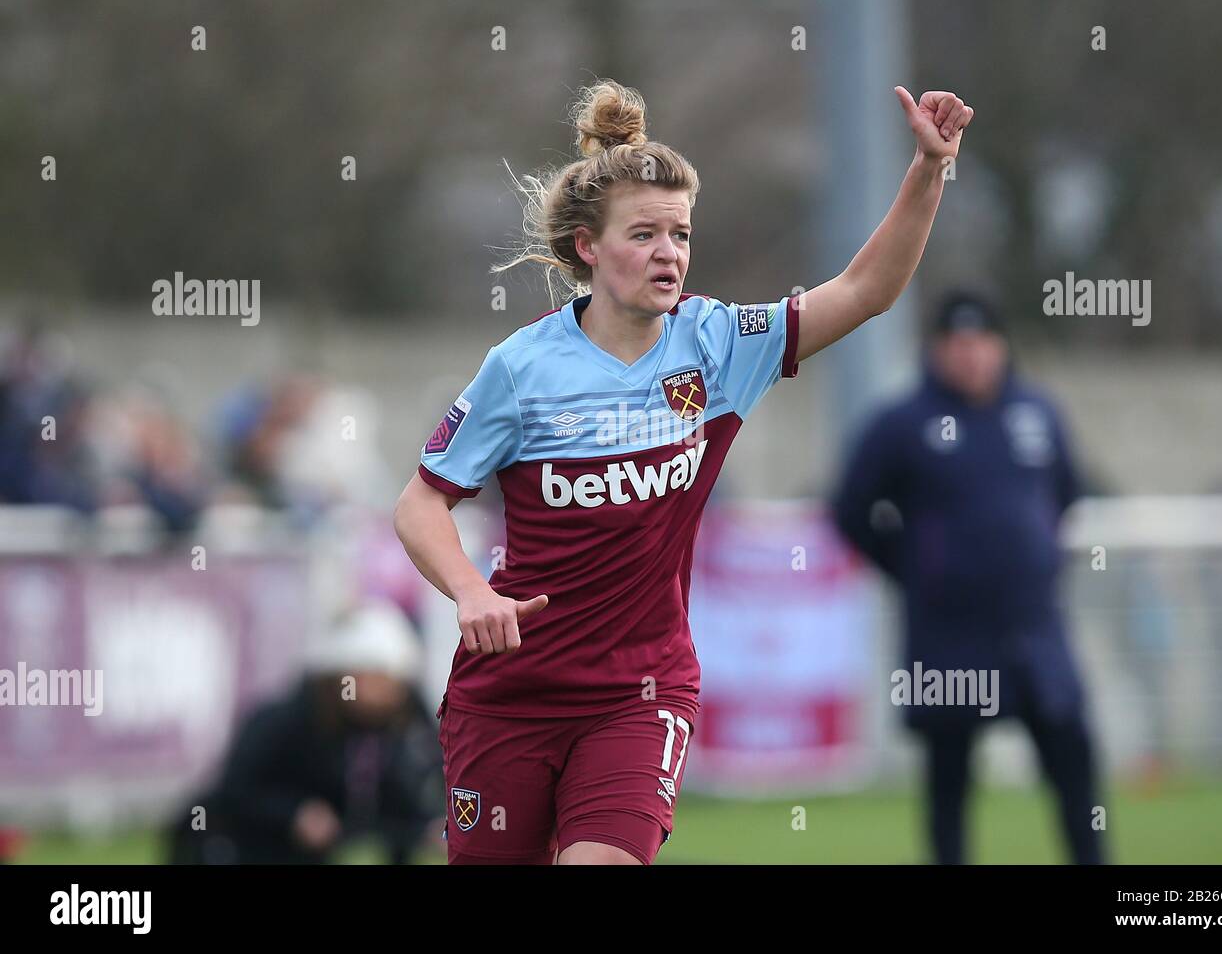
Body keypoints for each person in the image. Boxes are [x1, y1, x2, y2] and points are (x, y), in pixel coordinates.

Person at [394, 78, 974, 865]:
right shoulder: (522, 367)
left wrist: (928, 169)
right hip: (510, 696)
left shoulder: (718, 343)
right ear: (587, 248)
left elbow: (866, 291)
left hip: (641, 693)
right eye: (644, 234)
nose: (668, 252)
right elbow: (422, 503)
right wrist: (471, 591)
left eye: (680, 234)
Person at [831, 293, 1105, 864]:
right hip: (948, 635)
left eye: (982, 342)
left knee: (1074, 765)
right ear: (936, 350)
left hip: (1034, 630)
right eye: (958, 344)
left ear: (1002, 347)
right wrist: (913, 566)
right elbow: (850, 508)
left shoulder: (1038, 412)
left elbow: (1068, 496)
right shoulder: (904, 422)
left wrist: (1037, 559)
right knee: (949, 780)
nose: (971, 356)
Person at [166, 600, 446, 864]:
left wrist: (425, 827)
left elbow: (390, 805)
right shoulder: (283, 722)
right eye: (381, 682)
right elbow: (234, 791)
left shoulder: (386, 728)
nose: (392, 695)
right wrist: (294, 814)